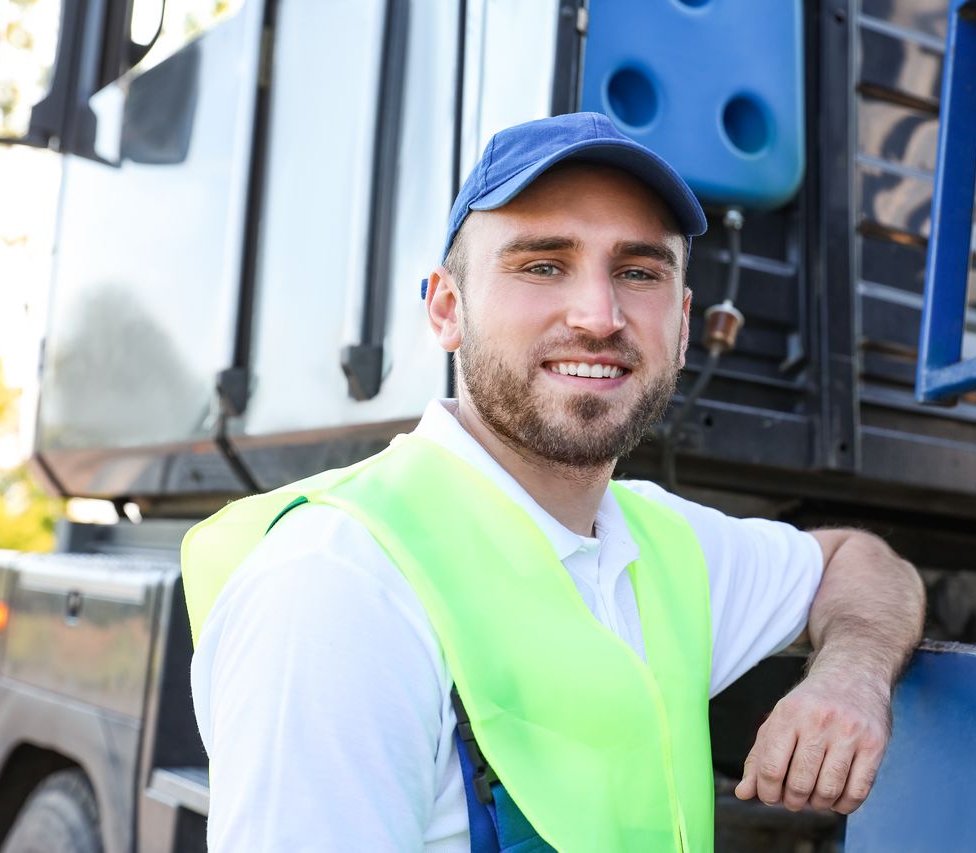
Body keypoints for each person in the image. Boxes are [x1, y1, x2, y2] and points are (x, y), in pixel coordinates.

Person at [182, 112, 925, 852]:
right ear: (447, 308)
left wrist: (851, 673)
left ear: (684, 321)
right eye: (542, 264)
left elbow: (856, 561)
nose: (599, 316)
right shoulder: (343, 585)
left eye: (638, 272)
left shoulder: (663, 545)